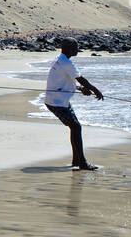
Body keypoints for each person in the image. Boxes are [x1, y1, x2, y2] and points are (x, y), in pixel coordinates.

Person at [44, 38, 104, 170]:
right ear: (69, 49)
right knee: (76, 127)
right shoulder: (66, 63)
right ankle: (82, 163)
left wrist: (79, 89)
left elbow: (64, 81)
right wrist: (95, 90)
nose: (77, 50)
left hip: (60, 100)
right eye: (76, 47)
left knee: (75, 127)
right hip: (56, 102)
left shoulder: (60, 60)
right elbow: (81, 79)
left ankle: (77, 160)